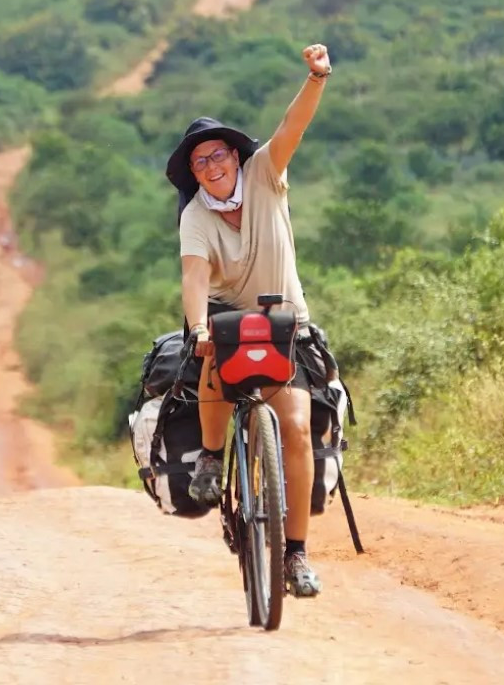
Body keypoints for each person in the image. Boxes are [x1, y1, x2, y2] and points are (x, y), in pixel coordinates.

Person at [165, 43, 332, 598]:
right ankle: (212, 459)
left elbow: (292, 127)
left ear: (236, 157)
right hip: (226, 319)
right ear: (193, 174)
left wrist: (316, 78)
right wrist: (198, 329)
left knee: (297, 428)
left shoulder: (265, 173)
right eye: (200, 162)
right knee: (213, 356)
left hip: (285, 321)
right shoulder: (195, 216)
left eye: (218, 155)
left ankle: (296, 553)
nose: (212, 167)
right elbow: (193, 277)